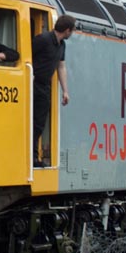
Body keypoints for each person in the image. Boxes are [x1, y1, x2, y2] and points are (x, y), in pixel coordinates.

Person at [31, 14, 76, 167]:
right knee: (30, 121)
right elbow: (27, 54)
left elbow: (61, 66)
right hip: (32, 83)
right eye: (72, 31)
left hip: (44, 87)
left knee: (39, 123)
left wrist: (65, 91)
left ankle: (33, 157)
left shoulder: (62, 45)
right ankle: (30, 157)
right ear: (67, 30)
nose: (72, 34)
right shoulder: (43, 39)